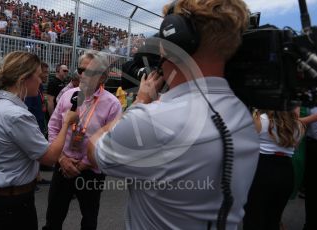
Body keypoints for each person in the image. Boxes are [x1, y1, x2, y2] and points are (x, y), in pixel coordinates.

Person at [86, 0, 259, 229]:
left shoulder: (152, 121)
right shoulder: (245, 113)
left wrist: (140, 103)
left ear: (174, 42)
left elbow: (93, 149)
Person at [0, 51, 77, 230]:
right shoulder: (18, 115)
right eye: (39, 76)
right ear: (24, 78)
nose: (41, 81)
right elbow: (49, 157)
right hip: (12, 204)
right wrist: (66, 123)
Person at [43, 51, 122, 230]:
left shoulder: (112, 104)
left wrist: (83, 164)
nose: (84, 75)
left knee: (89, 218)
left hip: (91, 170)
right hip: (63, 166)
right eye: (81, 70)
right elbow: (53, 127)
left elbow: (109, 142)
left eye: (90, 71)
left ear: (103, 76)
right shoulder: (67, 95)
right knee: (53, 218)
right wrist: (62, 159)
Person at [243, 109, 306, 230]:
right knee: (274, 218)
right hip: (286, 172)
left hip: (262, 169)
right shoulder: (298, 125)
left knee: (253, 217)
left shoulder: (260, 120)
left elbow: (246, 144)